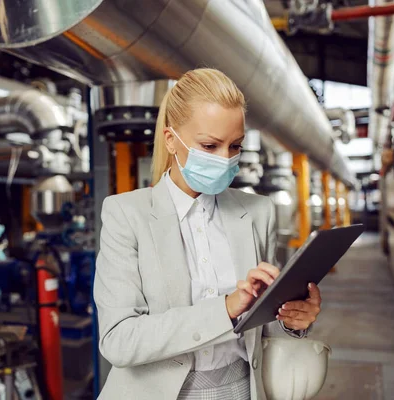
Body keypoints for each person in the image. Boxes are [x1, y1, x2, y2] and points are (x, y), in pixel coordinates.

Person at [94, 68, 322, 400]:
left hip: (242, 390)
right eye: (209, 145)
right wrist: (225, 309)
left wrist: (292, 320)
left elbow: (262, 326)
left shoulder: (258, 212)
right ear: (171, 140)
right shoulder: (126, 214)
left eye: (235, 146)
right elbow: (118, 340)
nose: (225, 159)